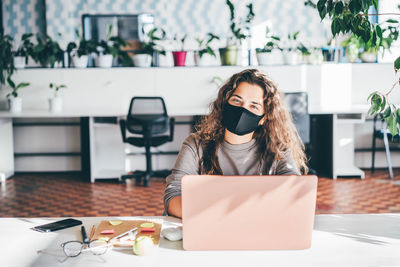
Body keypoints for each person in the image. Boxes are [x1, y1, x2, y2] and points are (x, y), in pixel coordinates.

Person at [164, 69, 308, 218]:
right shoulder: (195, 145)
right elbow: (173, 197)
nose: (242, 110)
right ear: (225, 103)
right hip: (207, 225)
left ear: (263, 118)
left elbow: (294, 193)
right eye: (237, 100)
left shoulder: (277, 150)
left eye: (254, 106)